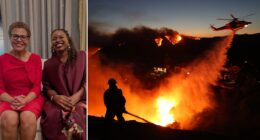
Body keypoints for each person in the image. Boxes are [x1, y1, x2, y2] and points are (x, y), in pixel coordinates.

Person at [0, 21, 44, 140]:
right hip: (7, 98)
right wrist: (12, 99)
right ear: (10, 37)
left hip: (31, 98)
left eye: (23, 37)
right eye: (15, 36)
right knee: (9, 118)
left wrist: (25, 100)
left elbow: (36, 86)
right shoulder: (2, 60)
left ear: (28, 39)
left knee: (28, 117)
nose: (19, 40)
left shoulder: (35, 59)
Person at [40, 29, 86, 140]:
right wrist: (55, 97)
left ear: (68, 40)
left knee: (76, 115)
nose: (57, 40)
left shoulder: (82, 57)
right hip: (57, 101)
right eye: (54, 39)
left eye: (61, 37)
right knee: (53, 116)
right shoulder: (48, 64)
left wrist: (77, 96)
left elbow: (87, 80)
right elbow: (47, 87)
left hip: (79, 99)